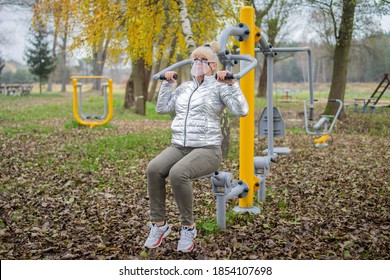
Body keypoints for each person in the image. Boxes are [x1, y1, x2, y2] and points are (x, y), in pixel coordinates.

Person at [144, 41, 248, 252]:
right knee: (153, 169)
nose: (198, 64)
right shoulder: (185, 87)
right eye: (195, 60)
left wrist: (231, 84)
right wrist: (167, 84)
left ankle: (188, 227)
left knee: (178, 173)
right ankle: (159, 225)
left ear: (213, 66)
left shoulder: (219, 87)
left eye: (204, 60)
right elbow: (162, 108)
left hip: (207, 149)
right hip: (180, 146)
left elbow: (242, 110)